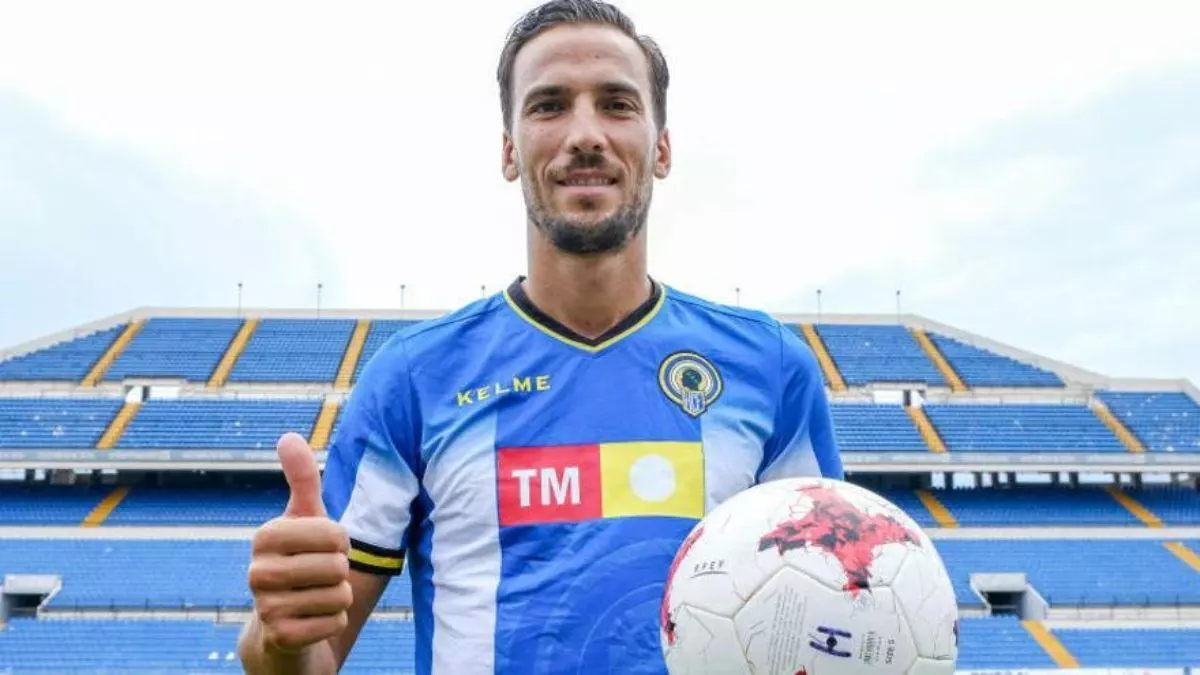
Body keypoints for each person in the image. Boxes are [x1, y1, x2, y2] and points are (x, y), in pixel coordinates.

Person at [237, 1, 843, 673]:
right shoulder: (413, 378)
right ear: (509, 150)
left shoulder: (772, 371)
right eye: (549, 106)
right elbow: (305, 659)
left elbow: (834, 613)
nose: (584, 134)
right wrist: (278, 638)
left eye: (617, 105)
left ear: (662, 148)